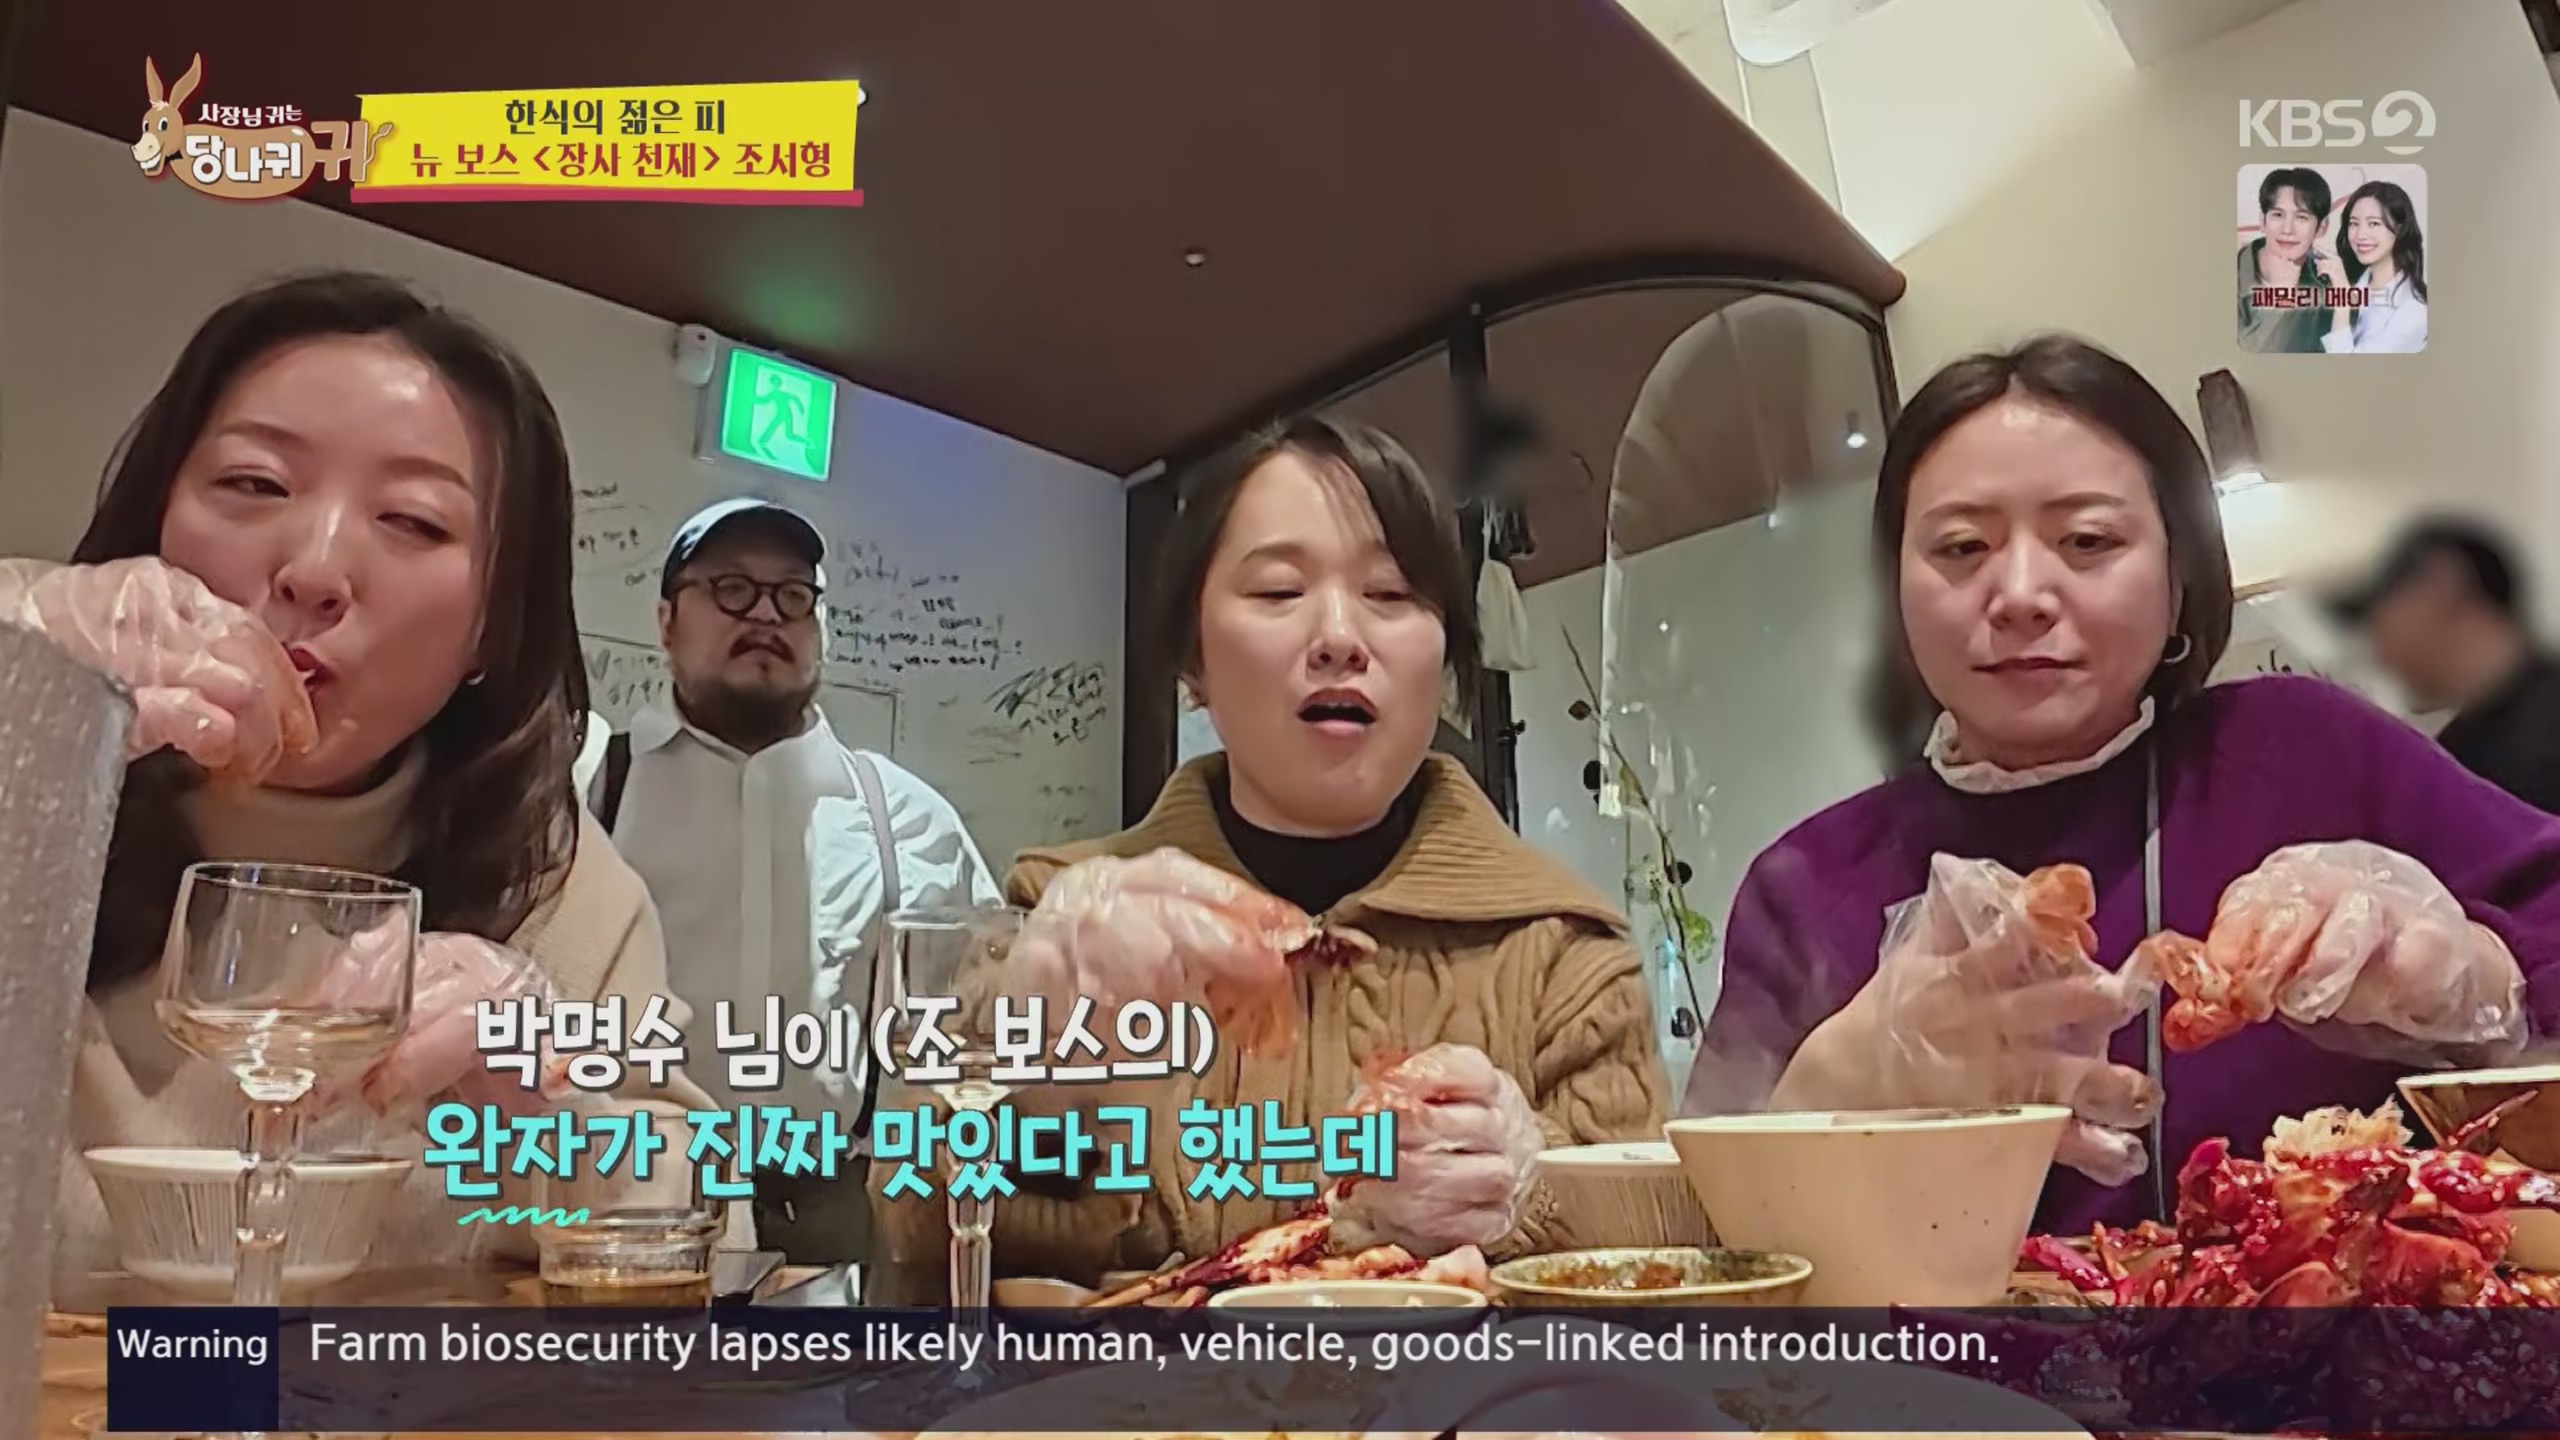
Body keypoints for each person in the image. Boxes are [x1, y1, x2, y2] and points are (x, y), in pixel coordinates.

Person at [1682, 334, 2560, 1236]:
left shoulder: (2310, 752)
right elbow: (1694, 1238)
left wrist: (2478, 983)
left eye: (2088, 540)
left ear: (2180, 577)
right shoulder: (1808, 882)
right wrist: (1842, 1083)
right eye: (1961, 546)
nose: (2020, 593)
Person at [0, 270, 719, 1282]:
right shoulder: (26, 781)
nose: (314, 570)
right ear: (157, 518)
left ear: (491, 628)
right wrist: (26, 705)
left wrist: (552, 1097)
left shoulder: (553, 888)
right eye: (255, 485)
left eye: (413, 522)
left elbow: (709, 1234)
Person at [874, 414, 1667, 1286]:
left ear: (1444, 657)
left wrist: (1532, 1185)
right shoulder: (1052, 915)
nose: (1339, 637)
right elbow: (905, 1227)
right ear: (1194, 661)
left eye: (1391, 594)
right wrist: (1038, 1081)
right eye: (1279, 591)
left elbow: (1666, 1265)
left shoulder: (1564, 957)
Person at [588, 497, 998, 1263]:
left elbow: (993, 1015)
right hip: (631, 1198)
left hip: (837, 1213)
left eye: (793, 594)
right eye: (731, 588)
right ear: (667, 622)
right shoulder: (590, 794)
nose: (765, 614)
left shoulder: (907, 817)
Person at [2330, 518, 2560, 812]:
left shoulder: (2534, 738)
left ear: (2440, 591)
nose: (2378, 654)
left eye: (2375, 619)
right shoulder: (2462, 753)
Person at [2318, 180, 2429, 354]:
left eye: (2374, 223)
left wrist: (2342, 300)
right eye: (2354, 223)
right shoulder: (2352, 280)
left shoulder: (2414, 310)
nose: (2361, 235)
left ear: (2400, 229)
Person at [2237, 167, 2334, 354]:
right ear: (2262, 221)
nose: (2287, 229)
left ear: (2322, 227)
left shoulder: (2324, 286)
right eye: (2278, 215)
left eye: (2302, 217)